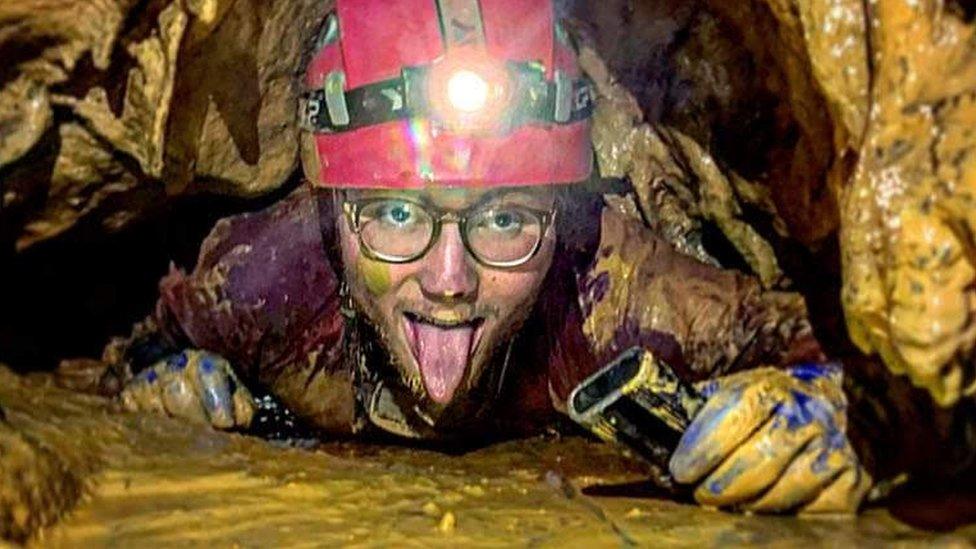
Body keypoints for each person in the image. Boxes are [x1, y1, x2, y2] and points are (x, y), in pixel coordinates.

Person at [106, 0, 871, 513]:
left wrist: (841, 418)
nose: (450, 281)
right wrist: (161, 380)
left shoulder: (608, 292)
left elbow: (851, 358)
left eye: (506, 219)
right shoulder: (268, 282)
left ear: (562, 214)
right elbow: (133, 351)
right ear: (333, 213)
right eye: (397, 215)